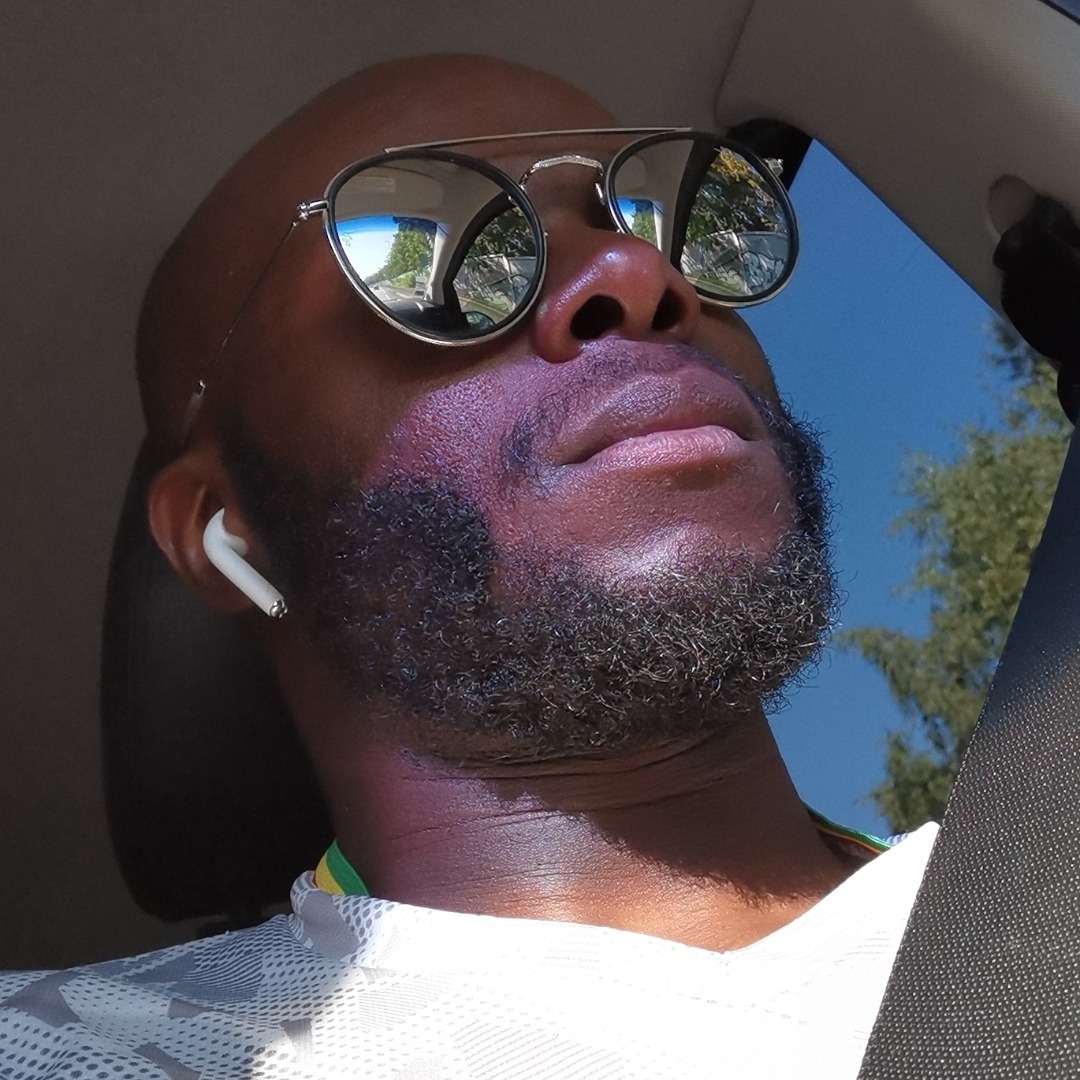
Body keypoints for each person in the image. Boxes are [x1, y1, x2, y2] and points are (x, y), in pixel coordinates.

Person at [0, 55, 935, 1077]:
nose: (635, 274)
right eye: (431, 249)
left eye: (670, 219)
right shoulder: (63, 1052)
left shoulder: (1034, 856)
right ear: (223, 529)